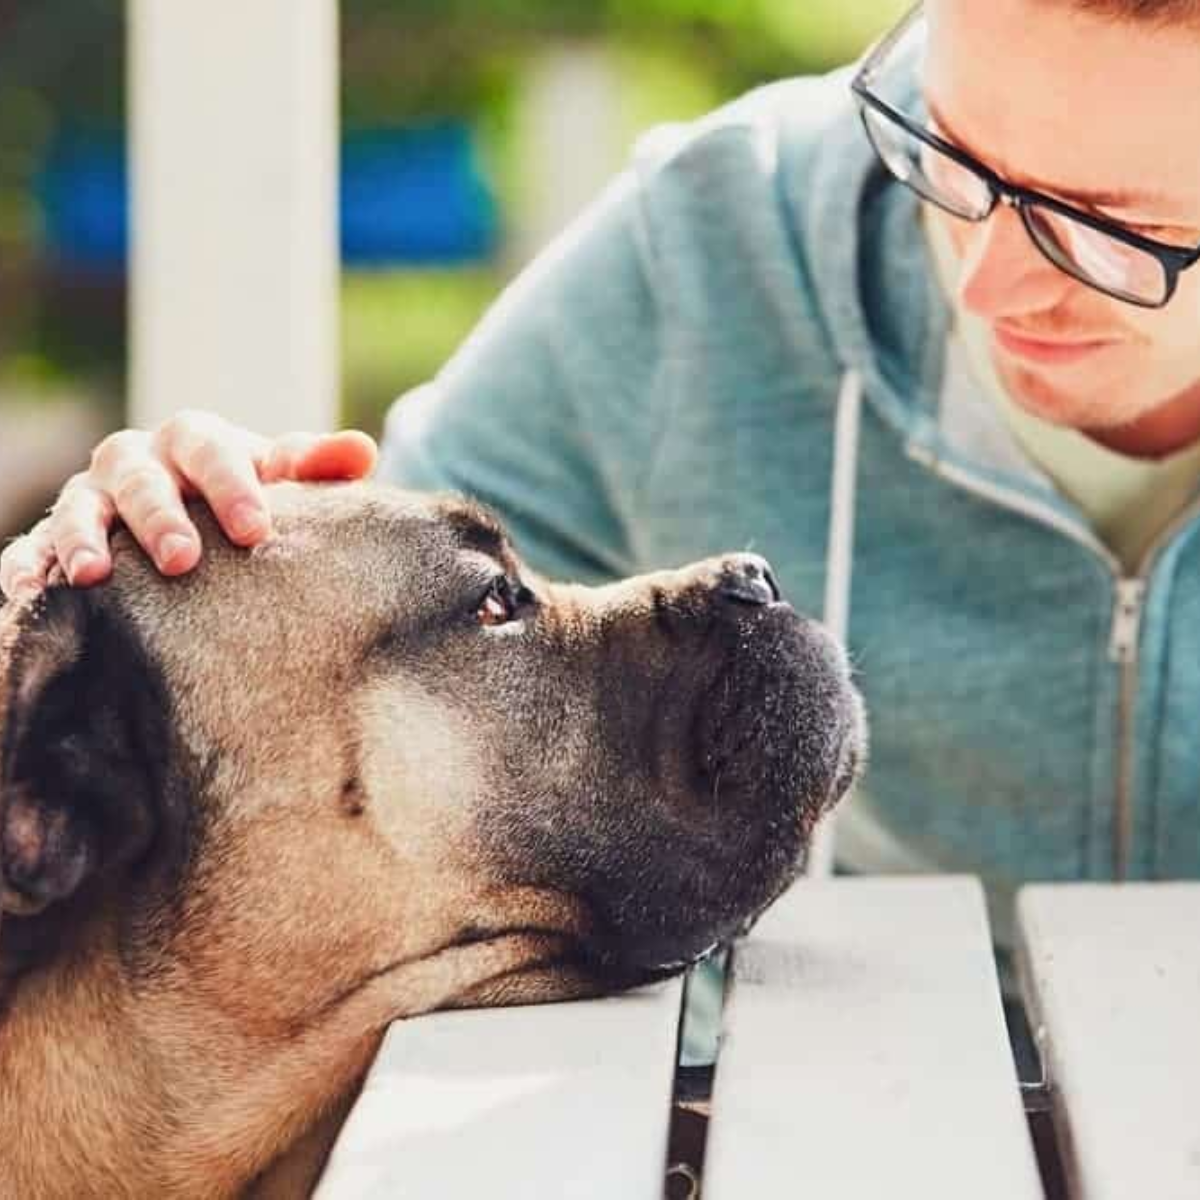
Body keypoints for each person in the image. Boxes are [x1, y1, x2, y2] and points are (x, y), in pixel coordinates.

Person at [6, 0, 1200, 972]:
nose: (984, 286)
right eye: (952, 155)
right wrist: (196, 560)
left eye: (1101, 232)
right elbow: (401, 639)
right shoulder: (712, 245)